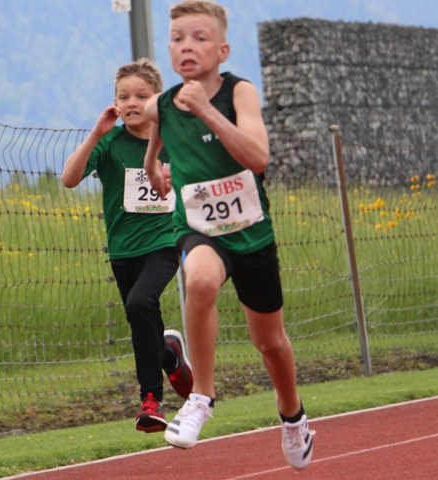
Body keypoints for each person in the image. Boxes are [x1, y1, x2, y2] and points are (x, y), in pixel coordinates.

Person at [141, 0, 315, 469]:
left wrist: (206, 111)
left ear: (222, 50)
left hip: (251, 233)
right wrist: (152, 165)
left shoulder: (239, 93)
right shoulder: (163, 104)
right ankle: (201, 396)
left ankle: (293, 416)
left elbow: (258, 158)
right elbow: (156, 124)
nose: (186, 47)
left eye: (199, 38)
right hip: (199, 229)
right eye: (177, 39)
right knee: (199, 281)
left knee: (270, 343)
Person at [62, 58, 193, 433]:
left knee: (139, 302)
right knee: (141, 317)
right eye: (123, 97)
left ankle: (151, 400)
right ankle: (169, 355)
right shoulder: (110, 143)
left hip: (166, 241)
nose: (132, 102)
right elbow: (69, 179)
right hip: (123, 251)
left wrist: (175, 177)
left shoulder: (173, 139)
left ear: (157, 100)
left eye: (141, 95)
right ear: (115, 103)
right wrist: (96, 134)